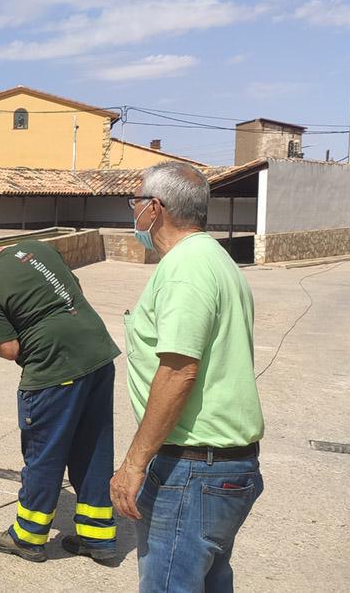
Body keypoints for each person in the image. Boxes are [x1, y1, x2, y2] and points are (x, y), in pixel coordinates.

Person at [111, 162, 264, 592]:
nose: (134, 211)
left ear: (155, 209)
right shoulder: (214, 258)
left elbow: (179, 371)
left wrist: (134, 464)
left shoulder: (186, 268)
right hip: (218, 468)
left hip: (194, 470)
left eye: (136, 202)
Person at [0, 232, 120, 564]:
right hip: (98, 354)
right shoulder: (35, 248)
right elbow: (73, 290)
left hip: (54, 370)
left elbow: (8, 347)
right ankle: (98, 536)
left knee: (44, 452)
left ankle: (27, 536)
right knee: (93, 448)